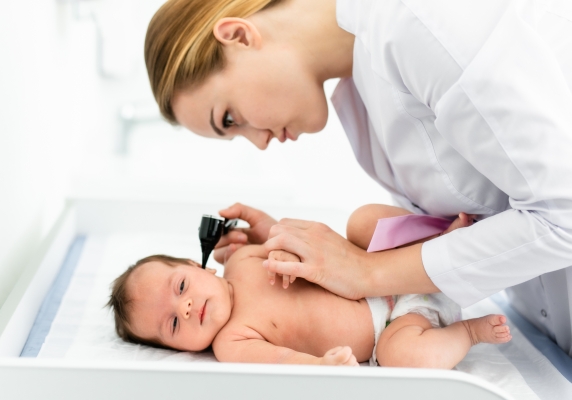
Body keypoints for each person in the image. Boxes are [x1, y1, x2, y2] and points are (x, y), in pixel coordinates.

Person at [144, 0, 572, 354]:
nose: (257, 143)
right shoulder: (360, 89)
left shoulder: (417, 21)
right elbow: (452, 226)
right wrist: (278, 253)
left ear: (238, 35)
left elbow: (564, 213)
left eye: (230, 117)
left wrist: (366, 270)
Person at [107, 205, 512, 367]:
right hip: (395, 325)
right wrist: (321, 366)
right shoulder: (232, 342)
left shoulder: (243, 259)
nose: (188, 307)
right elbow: (281, 361)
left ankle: (441, 237)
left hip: (390, 266)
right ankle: (468, 332)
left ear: (200, 266)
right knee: (403, 358)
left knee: (361, 222)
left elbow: (283, 234)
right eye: (174, 325)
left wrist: (263, 227)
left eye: (181, 287)